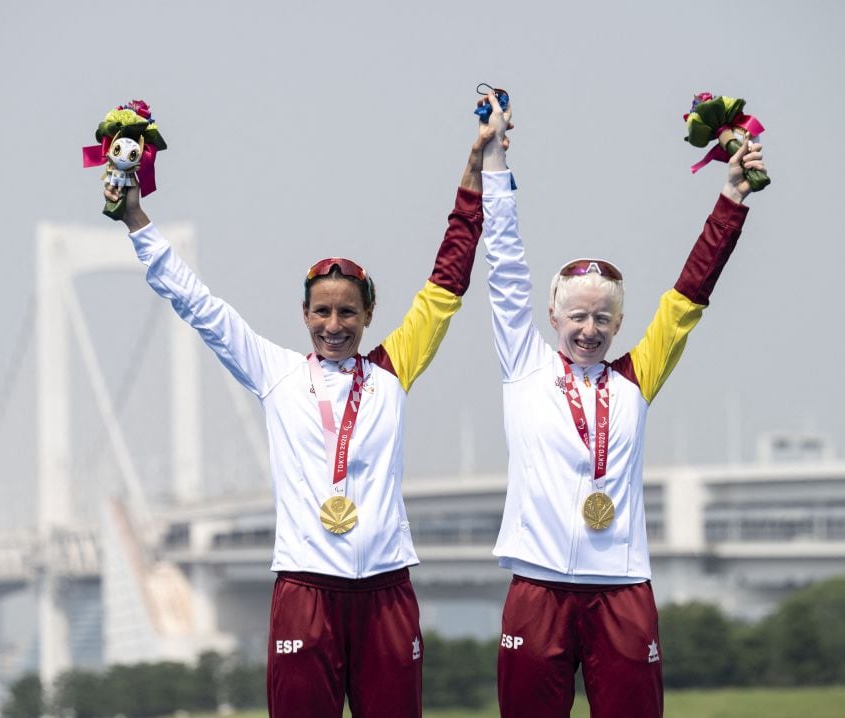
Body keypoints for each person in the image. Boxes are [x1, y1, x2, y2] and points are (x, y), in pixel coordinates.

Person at [102, 118, 508, 717]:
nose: (334, 325)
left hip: (386, 593)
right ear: (304, 314)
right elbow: (197, 304)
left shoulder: (395, 367)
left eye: (348, 312)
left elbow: (449, 279)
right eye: (322, 312)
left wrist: (475, 165)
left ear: (369, 314)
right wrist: (136, 219)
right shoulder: (277, 373)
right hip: (304, 591)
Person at [477, 92, 767, 717]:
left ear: (620, 322)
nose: (589, 328)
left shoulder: (639, 375)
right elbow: (502, 267)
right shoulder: (524, 365)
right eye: (577, 315)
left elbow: (690, 294)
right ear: (552, 315)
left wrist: (732, 200)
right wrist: (495, 161)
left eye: (603, 318)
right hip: (538, 587)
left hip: (622, 588)